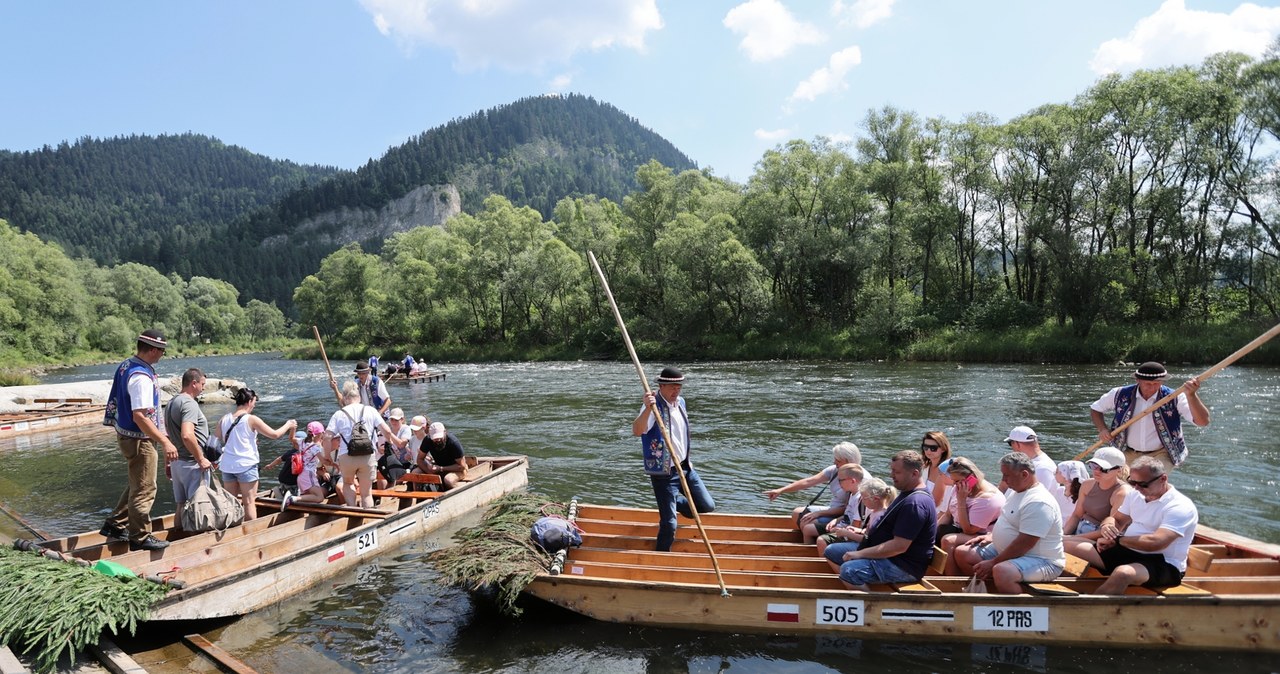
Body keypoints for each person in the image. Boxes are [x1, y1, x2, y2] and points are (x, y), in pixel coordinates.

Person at [1068, 457, 1198, 594]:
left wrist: (1118, 541)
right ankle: (1057, 591)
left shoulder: (1180, 506)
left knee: (1123, 573)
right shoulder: (1135, 495)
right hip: (1127, 552)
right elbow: (1116, 520)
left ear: (1163, 479)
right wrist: (1107, 526)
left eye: (1143, 484)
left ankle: (1089, 610)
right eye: (1132, 482)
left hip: (1163, 564)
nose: (1136, 488)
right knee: (1065, 545)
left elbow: (1156, 542)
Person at [100, 329, 179, 551]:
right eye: (162, 351)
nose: (163, 355)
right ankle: (140, 536)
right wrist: (165, 442)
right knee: (145, 488)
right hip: (139, 440)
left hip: (126, 435)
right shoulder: (141, 377)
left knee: (137, 482)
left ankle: (115, 524)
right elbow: (141, 416)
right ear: (153, 350)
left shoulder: (127, 365)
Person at [823, 450, 937, 590]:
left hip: (902, 565)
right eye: (892, 470)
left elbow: (899, 546)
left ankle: (870, 607)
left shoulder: (915, 503)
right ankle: (855, 588)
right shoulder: (907, 494)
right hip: (887, 554)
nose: (891, 475)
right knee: (831, 551)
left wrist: (859, 554)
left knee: (849, 570)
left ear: (914, 473)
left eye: (897, 472)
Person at [953, 452, 1065, 594]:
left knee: (1002, 571)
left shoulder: (1039, 502)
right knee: (963, 553)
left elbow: (1025, 543)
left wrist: (993, 562)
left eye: (1007, 475)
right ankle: (990, 592)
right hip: (1008, 551)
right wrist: (992, 536)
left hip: (1041, 560)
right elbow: (1009, 521)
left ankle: (1023, 607)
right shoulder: (1016, 491)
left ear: (1024, 474)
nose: (1004, 480)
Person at [632, 366, 716, 552]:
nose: (676, 391)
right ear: (661, 386)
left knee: (706, 505)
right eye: (672, 387)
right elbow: (637, 430)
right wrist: (647, 408)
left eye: (679, 387)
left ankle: (671, 501)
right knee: (670, 524)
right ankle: (661, 555)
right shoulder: (653, 406)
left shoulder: (681, 403)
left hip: (685, 468)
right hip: (664, 473)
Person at [1090, 361, 1210, 471]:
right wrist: (1102, 429)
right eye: (1148, 384)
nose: (1152, 388)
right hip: (1126, 451)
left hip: (1162, 453)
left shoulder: (1175, 396)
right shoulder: (1119, 394)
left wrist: (1192, 395)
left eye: (1156, 383)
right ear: (1138, 380)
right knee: (1121, 485)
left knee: (1150, 481)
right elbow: (1096, 409)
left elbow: (1203, 422)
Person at [217, 388, 296, 521]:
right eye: (254, 402)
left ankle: (231, 531)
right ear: (249, 402)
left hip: (227, 466)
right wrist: (288, 424)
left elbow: (217, 441)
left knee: (231, 503)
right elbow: (275, 434)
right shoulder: (251, 419)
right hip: (246, 465)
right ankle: (250, 534)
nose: (254, 405)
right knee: (249, 502)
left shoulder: (224, 419)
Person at [327, 380, 407, 508]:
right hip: (367, 456)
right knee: (366, 493)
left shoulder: (339, 414)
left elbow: (327, 437)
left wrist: (327, 455)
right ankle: (369, 516)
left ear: (346, 397)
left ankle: (352, 509)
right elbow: (386, 430)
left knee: (348, 484)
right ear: (358, 396)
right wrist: (389, 442)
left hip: (346, 456)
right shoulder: (370, 410)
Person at [763, 442, 862, 543]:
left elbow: (850, 510)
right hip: (833, 510)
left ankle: (816, 545)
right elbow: (808, 481)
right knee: (797, 513)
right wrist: (780, 490)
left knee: (806, 523)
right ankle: (817, 541)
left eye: (838, 460)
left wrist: (819, 513)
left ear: (848, 461)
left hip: (844, 515)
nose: (834, 462)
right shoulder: (835, 470)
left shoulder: (857, 479)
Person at [937, 457, 1006, 571]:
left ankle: (953, 581)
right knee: (932, 533)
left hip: (983, 535)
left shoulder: (987, 499)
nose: (954, 484)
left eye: (957, 481)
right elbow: (948, 515)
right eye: (954, 481)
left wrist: (961, 501)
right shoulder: (960, 487)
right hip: (959, 528)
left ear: (972, 478)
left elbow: (968, 530)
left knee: (947, 540)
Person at [164, 367, 214, 522]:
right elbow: (187, 434)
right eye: (202, 384)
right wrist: (201, 458)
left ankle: (178, 537)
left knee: (181, 504)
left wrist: (167, 462)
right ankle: (195, 541)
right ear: (194, 383)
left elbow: (169, 435)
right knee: (197, 506)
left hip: (177, 463)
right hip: (192, 464)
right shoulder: (189, 403)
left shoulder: (172, 402)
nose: (204, 387)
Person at [1063, 447, 1132, 540]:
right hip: (1079, 533)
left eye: (1104, 468)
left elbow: (1112, 530)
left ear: (1119, 470)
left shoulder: (1122, 493)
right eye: (1094, 465)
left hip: (1100, 539)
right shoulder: (1087, 484)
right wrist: (1063, 535)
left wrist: (1070, 539)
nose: (1096, 471)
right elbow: (1076, 515)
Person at [1003, 425, 1061, 516]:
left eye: (1010, 443)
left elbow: (1038, 502)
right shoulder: (1032, 463)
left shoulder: (1043, 468)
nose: (1011, 448)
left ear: (1017, 444)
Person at [814, 463, 868, 558]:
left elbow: (856, 525)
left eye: (841, 480)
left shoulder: (860, 498)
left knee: (821, 540)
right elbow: (848, 514)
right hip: (843, 526)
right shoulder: (852, 494)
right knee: (807, 528)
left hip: (849, 533)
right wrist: (836, 520)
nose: (839, 483)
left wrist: (841, 531)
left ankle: (823, 568)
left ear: (852, 481)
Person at [281, 422, 329, 510]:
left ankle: (292, 500)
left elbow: (291, 438)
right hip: (308, 475)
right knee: (319, 497)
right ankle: (292, 498)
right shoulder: (315, 448)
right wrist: (334, 463)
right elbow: (324, 461)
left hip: (301, 475)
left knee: (307, 499)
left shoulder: (301, 442)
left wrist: (293, 429)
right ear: (319, 434)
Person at [420, 422, 468, 490]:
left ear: (445, 432)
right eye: (435, 439)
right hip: (438, 467)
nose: (438, 440)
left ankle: (460, 492)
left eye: (439, 437)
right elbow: (419, 459)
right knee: (416, 472)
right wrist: (429, 471)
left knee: (448, 480)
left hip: (458, 469)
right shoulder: (427, 440)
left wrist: (441, 468)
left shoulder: (453, 442)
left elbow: (462, 466)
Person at [376, 408, 414, 488]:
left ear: (402, 419)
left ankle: (388, 495)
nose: (393, 422)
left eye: (396, 420)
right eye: (392, 419)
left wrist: (388, 434)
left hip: (403, 463)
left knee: (393, 477)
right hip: (390, 463)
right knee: (380, 477)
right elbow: (380, 450)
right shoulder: (387, 430)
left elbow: (401, 444)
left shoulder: (405, 429)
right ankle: (380, 497)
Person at [920, 431, 952, 508]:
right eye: (925, 447)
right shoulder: (925, 467)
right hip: (925, 507)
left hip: (940, 513)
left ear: (943, 449)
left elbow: (936, 503)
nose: (928, 451)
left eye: (933, 448)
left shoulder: (947, 470)